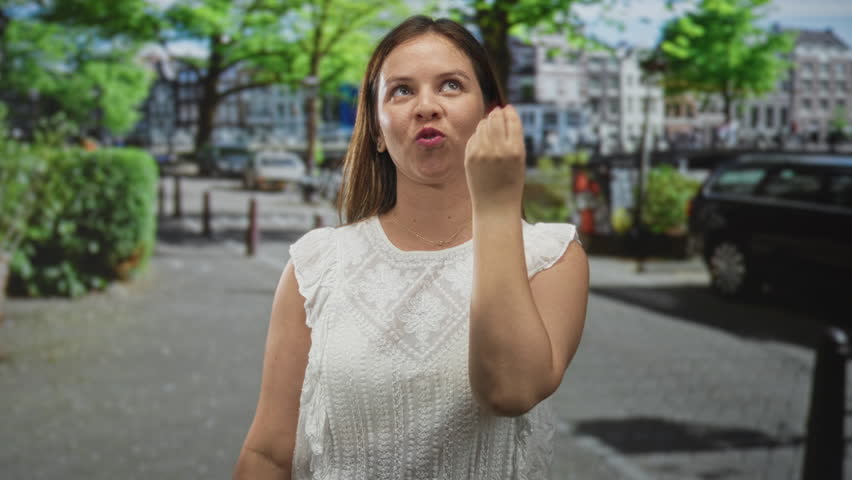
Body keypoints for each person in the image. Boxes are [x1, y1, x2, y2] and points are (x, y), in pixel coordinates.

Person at [234, 15, 589, 480]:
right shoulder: (316, 265)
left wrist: (497, 206)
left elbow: (510, 390)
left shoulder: (550, 256)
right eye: (401, 91)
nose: (426, 106)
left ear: (490, 116)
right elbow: (268, 453)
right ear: (377, 133)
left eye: (451, 86)